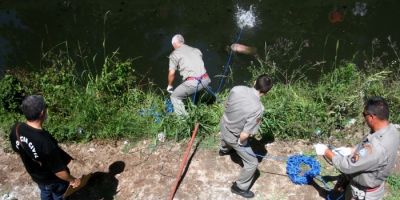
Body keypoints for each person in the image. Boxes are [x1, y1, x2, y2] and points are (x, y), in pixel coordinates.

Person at [314, 96, 400, 200]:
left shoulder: (376, 148)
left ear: (372, 117)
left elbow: (347, 166)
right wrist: (352, 150)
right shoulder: (391, 130)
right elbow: (369, 149)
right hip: (374, 185)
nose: (364, 118)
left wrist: (326, 151)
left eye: (364, 115)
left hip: (363, 193)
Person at [9, 95, 81, 200]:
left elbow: (18, 150)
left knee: (45, 191)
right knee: (59, 195)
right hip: (54, 181)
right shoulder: (45, 141)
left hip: (37, 177)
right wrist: (73, 180)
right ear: (42, 113)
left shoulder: (17, 129)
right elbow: (60, 172)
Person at [219, 74, 273, 198]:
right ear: (266, 92)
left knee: (227, 139)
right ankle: (239, 187)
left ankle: (223, 150)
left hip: (223, 124)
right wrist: (241, 143)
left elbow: (227, 104)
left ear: (254, 82)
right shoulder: (258, 108)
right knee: (253, 163)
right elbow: (244, 135)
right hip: (233, 136)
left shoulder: (237, 88)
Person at [167, 34, 211, 116]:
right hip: (206, 80)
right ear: (182, 42)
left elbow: (172, 73)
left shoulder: (174, 54)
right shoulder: (196, 50)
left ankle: (185, 122)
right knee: (192, 87)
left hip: (193, 83)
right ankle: (197, 108)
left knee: (175, 97)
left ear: (174, 44)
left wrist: (169, 85)